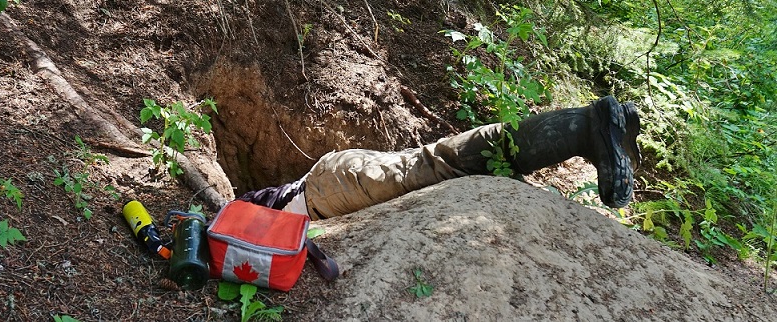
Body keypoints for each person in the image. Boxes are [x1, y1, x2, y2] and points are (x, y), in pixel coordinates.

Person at [238, 95, 641, 220]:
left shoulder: (243, 215)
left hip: (328, 190)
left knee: (445, 162)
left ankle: (588, 128)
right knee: (437, 159)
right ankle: (587, 127)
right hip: (333, 177)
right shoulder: (254, 207)